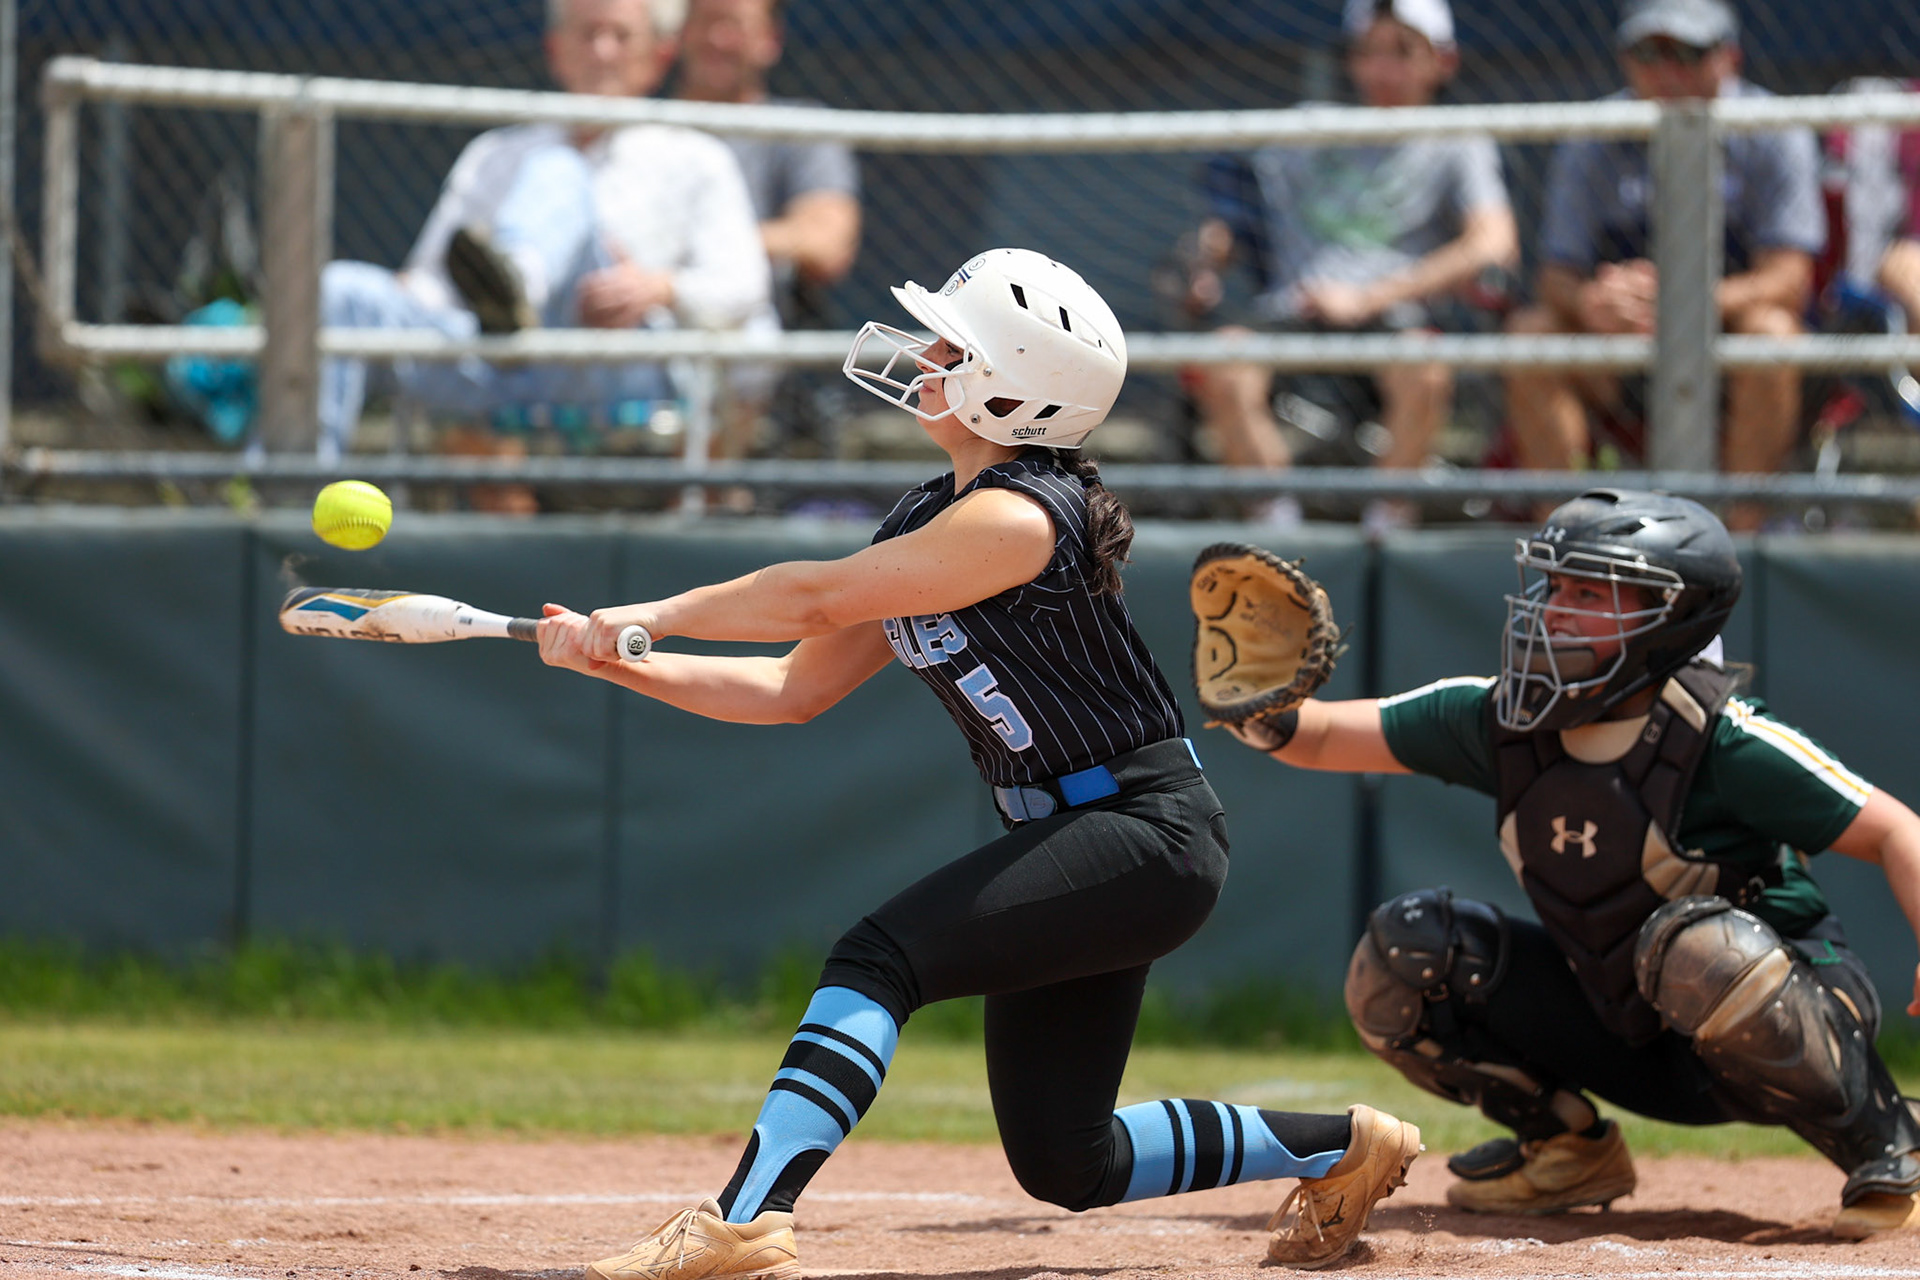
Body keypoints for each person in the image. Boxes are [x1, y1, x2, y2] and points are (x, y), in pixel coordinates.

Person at [535, 248, 1422, 1278]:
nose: (927, 358)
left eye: (956, 348)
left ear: (1014, 390)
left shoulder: (1020, 513)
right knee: (1066, 1159)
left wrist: (651, 611)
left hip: (1143, 831)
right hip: (1077, 839)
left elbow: (819, 595)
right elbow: (792, 689)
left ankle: (744, 1217)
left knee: (877, 959)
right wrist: (623, 661)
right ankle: (1338, 1142)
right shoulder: (926, 517)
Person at [1221, 487, 1920, 1240]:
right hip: (1631, 1030)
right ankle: (1567, 1150)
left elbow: (1897, 831)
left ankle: (1888, 1143)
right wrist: (1251, 699)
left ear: (1673, 617)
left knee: (1694, 946)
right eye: (1554, 585)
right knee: (1407, 950)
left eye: (1589, 592)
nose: (1554, 609)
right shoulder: (1501, 718)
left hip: (1786, 1015)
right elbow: (1320, 737)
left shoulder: (1723, 739)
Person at [315, 0, 770, 480]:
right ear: (555, 51)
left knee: (559, 170)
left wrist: (659, 289)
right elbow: (432, 285)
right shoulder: (495, 152)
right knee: (341, 290)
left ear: (660, 54)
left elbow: (744, 287)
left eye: (620, 36)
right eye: (587, 34)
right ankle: (289, 507)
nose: (602, 51)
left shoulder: (697, 157)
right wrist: (402, 300)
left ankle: (516, 287)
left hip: (622, 367)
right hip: (497, 362)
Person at [1178, 0, 1517, 530]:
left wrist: (1370, 297)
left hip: (1394, 319)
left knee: (1426, 368)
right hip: (1293, 312)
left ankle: (1385, 531)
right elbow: (1233, 215)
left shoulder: (1458, 138)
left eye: (1402, 51)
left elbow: (1495, 243)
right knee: (1223, 360)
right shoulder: (1310, 124)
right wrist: (1209, 255)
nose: (1381, 70)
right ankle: (1276, 530)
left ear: (1442, 61)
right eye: (1367, 52)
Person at [1503, 0, 1824, 529]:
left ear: (1730, 58)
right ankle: (1568, 546)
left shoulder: (1774, 128)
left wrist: (1686, 302)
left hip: (1724, 350)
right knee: (1529, 332)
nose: (1667, 72)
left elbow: (1790, 279)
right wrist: (1592, 301)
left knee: (1773, 333)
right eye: (1648, 53)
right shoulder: (1595, 131)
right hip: (1622, 350)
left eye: (1688, 54)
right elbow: (1555, 276)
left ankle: (1734, 546)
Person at [674, 0, 862, 463]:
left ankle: (702, 500)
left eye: (734, 25)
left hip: (745, 330)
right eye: (705, 22)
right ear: (679, 35)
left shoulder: (797, 126)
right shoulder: (643, 126)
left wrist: (708, 253)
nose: (718, 40)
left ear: (769, 41)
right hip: (641, 316)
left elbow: (827, 243)